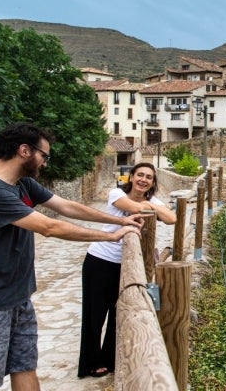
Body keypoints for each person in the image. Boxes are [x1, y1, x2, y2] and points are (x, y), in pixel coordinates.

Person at [0, 122, 144, 391]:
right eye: (44, 156)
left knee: (25, 365)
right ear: (24, 151)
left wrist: (121, 222)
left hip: (19, 297)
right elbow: (50, 227)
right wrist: (108, 237)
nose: (46, 164)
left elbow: (67, 207)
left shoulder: (22, 184)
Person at [78, 162, 176, 379]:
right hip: (101, 260)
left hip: (127, 265)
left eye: (149, 177)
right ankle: (90, 363)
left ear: (152, 182)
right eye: (140, 175)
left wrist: (153, 206)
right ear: (131, 177)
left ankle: (109, 358)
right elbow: (134, 208)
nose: (143, 180)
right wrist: (155, 207)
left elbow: (172, 218)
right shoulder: (116, 193)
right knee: (95, 314)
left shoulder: (151, 200)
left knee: (118, 312)